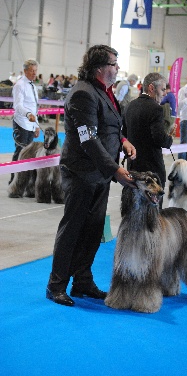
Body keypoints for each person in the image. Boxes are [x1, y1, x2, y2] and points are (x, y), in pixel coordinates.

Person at [46, 44, 136, 307]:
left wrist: (122, 140)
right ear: (99, 68)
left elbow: (107, 126)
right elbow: (89, 139)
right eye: (113, 63)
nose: (117, 68)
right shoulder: (82, 94)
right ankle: (56, 285)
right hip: (81, 173)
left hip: (99, 174)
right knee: (73, 229)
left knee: (93, 229)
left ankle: (82, 281)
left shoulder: (104, 92)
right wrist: (116, 170)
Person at [122, 72, 173, 207]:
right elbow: (159, 139)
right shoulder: (156, 109)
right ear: (151, 88)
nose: (164, 93)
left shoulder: (129, 106)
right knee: (154, 210)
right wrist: (169, 139)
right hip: (152, 169)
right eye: (162, 89)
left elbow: (124, 134)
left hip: (133, 167)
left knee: (134, 208)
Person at [9, 59, 40, 185]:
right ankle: (13, 181)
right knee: (20, 152)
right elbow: (18, 105)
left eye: (35, 71)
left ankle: (25, 182)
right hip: (21, 123)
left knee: (29, 154)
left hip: (31, 124)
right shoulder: (19, 85)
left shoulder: (33, 86)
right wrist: (28, 114)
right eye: (32, 71)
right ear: (25, 71)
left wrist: (36, 125)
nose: (34, 73)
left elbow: (34, 107)